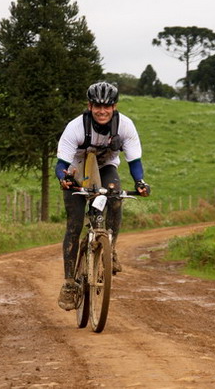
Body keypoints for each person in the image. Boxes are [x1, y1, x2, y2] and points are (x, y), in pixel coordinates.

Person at [55, 82, 150, 311]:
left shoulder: (125, 126)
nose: (102, 111)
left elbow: (134, 162)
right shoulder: (76, 127)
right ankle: (69, 284)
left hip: (107, 166)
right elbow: (61, 164)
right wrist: (65, 178)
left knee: (116, 198)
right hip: (77, 169)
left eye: (107, 107)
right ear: (89, 105)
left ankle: (111, 248)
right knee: (74, 225)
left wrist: (140, 182)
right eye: (97, 106)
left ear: (114, 107)